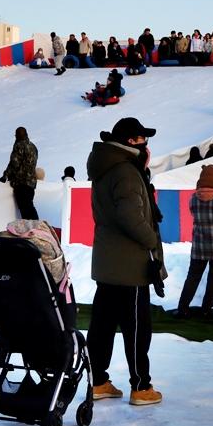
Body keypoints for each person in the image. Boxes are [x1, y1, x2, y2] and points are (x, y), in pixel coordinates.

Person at [86, 117, 165, 407]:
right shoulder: (126, 172)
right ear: (132, 142)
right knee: (137, 328)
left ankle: (97, 381)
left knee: (103, 325)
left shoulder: (106, 167)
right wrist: (150, 241)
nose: (148, 147)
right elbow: (130, 215)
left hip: (108, 262)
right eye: (144, 140)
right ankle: (141, 386)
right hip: (129, 265)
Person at [176, 165, 213, 318]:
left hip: (200, 246)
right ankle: (206, 309)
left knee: (193, 276)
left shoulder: (193, 198)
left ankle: (182, 308)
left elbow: (193, 213)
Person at [2, 127, 40, 220]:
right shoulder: (33, 146)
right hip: (31, 183)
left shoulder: (19, 146)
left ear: (17, 136)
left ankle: (31, 230)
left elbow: (14, 164)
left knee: (25, 210)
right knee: (30, 207)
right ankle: (37, 228)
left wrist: (5, 175)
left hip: (21, 183)